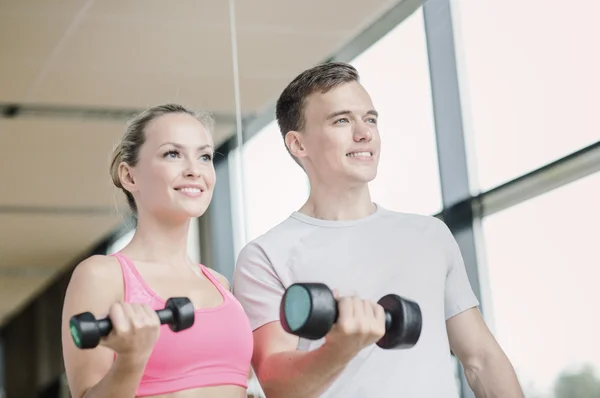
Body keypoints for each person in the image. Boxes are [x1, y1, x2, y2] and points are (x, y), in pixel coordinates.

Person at [232, 62, 524, 397]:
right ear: (299, 144)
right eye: (342, 120)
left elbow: (481, 359)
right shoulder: (267, 255)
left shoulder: (429, 235)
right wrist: (340, 349)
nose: (364, 133)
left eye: (370, 119)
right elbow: (277, 384)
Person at [61, 104, 253, 398]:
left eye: (204, 157)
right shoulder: (101, 276)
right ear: (129, 176)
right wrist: (131, 358)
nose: (193, 170)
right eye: (172, 154)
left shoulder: (220, 284)